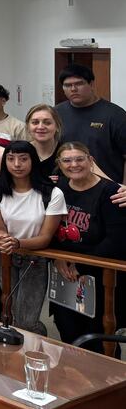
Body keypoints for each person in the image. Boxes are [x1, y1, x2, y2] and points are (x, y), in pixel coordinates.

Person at [52, 142, 126, 354]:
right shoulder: (59, 190)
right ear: (59, 164)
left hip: (101, 276)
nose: (74, 164)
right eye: (67, 160)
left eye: (79, 159)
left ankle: (108, 383)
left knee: (100, 334)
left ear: (91, 161)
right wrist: (56, 258)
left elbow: (117, 240)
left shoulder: (111, 192)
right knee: (68, 330)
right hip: (66, 274)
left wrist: (82, 265)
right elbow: (50, 228)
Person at [0, 141, 66, 335]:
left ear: (33, 161)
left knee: (27, 319)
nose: (17, 164)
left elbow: (45, 237)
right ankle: (13, 357)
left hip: (33, 255)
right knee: (10, 310)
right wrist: (4, 240)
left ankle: (36, 351)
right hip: (2, 253)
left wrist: (17, 243)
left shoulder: (52, 193)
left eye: (23, 159)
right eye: (11, 159)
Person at [55, 64, 126, 183]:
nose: (73, 89)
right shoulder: (56, 113)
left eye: (79, 84)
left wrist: (124, 188)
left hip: (107, 189)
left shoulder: (115, 115)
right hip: (66, 188)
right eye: (68, 85)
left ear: (91, 84)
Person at [25, 103, 62, 179]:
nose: (41, 127)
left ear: (57, 126)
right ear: (28, 127)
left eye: (47, 123)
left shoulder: (67, 154)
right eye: (35, 122)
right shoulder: (21, 152)